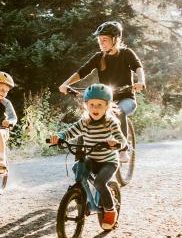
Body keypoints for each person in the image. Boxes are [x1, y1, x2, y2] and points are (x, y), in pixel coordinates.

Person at [58, 20, 145, 163]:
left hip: (126, 98)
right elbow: (82, 72)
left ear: (115, 39)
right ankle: (81, 154)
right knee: (87, 117)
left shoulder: (126, 53)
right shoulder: (99, 57)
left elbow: (138, 67)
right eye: (99, 40)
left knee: (119, 111)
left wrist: (141, 81)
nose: (101, 43)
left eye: (104, 40)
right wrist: (66, 84)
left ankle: (123, 149)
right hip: (106, 100)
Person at [49, 83, 127, 230]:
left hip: (108, 162)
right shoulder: (85, 122)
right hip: (92, 159)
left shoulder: (111, 123)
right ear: (86, 105)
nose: (95, 108)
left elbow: (122, 140)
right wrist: (59, 136)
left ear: (107, 106)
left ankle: (110, 210)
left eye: (99, 105)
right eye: (91, 104)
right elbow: (69, 132)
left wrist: (116, 143)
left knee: (99, 183)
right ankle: (80, 195)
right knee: (78, 168)